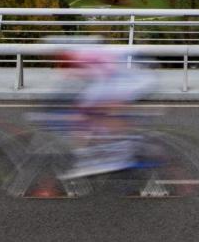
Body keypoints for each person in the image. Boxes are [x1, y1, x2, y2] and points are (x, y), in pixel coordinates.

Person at [53, 45, 156, 179]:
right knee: (92, 113)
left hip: (131, 80)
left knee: (87, 113)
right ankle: (116, 146)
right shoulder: (83, 55)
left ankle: (117, 153)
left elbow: (105, 76)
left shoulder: (83, 56)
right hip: (130, 77)